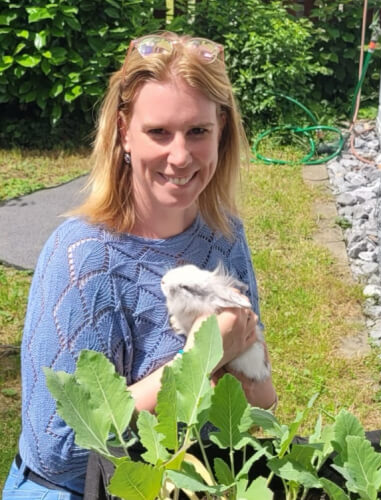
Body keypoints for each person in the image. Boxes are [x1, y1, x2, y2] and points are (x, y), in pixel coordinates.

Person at [3, 31, 277, 499]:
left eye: (198, 131)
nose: (180, 155)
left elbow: (262, 404)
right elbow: (62, 450)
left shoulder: (224, 235)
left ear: (222, 131)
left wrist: (246, 364)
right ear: (123, 132)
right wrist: (200, 360)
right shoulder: (84, 258)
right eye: (158, 132)